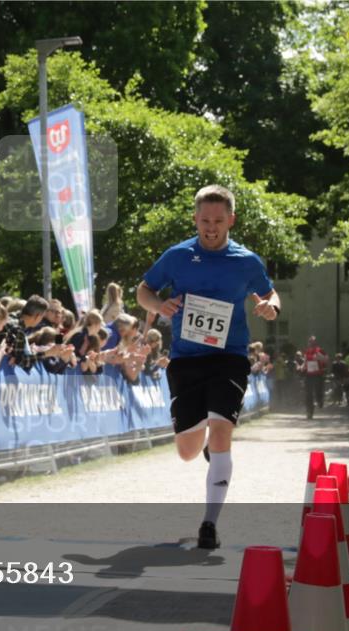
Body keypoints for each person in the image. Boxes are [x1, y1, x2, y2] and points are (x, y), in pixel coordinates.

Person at [137, 184, 279, 549]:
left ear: (231, 220)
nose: (211, 228)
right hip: (186, 360)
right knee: (187, 451)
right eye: (205, 221)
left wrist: (271, 306)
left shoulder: (246, 261)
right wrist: (159, 305)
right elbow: (143, 291)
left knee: (221, 432)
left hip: (230, 357)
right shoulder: (178, 256)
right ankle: (204, 445)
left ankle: (209, 524)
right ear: (195, 219)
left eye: (218, 221)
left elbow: (269, 293)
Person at [301, 336, 329, 419]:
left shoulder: (320, 350)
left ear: (315, 343)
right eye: (309, 341)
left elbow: (326, 360)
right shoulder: (307, 352)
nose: (310, 343)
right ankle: (309, 411)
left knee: (318, 392)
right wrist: (302, 367)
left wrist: (319, 357)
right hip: (309, 375)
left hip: (318, 375)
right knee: (308, 394)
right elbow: (305, 362)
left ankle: (320, 401)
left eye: (312, 342)